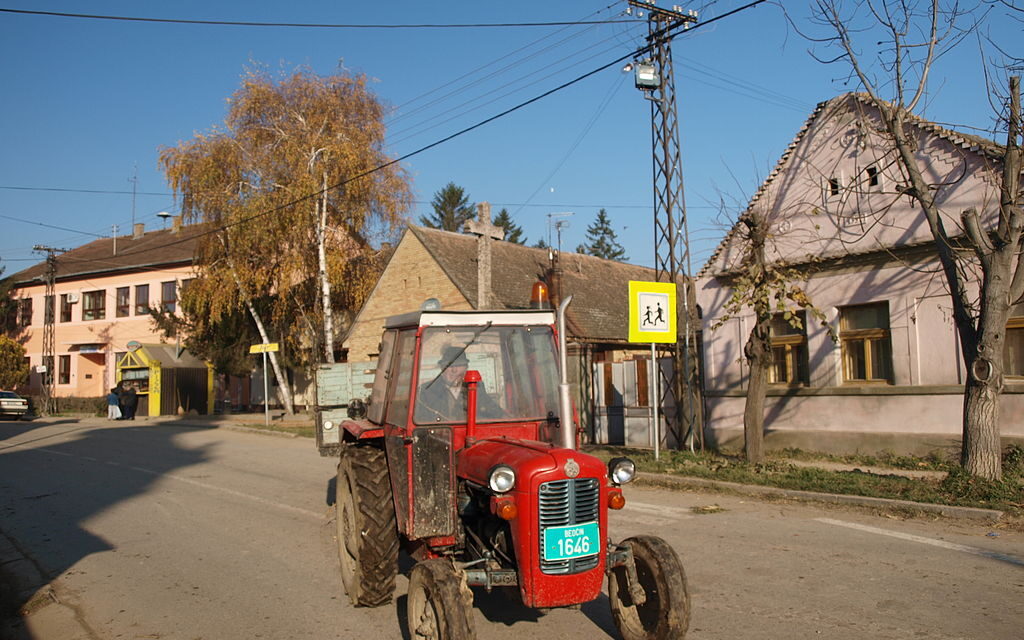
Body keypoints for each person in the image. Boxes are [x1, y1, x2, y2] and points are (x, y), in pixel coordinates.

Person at [416, 346, 503, 422]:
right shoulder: (427, 391)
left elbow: (496, 415)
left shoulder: (476, 388)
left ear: (466, 368)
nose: (454, 370)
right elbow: (421, 422)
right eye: (450, 365)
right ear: (442, 368)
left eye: (458, 365)